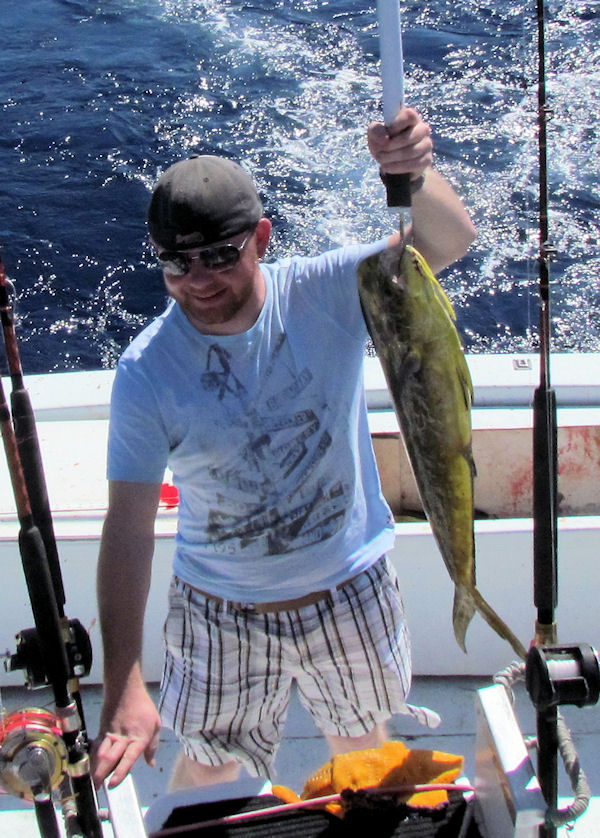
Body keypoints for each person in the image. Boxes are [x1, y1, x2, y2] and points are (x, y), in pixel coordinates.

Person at [92, 106, 476, 791]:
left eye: (219, 254)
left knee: (363, 755)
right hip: (219, 611)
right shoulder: (146, 372)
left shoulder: (327, 291)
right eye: (176, 262)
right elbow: (127, 531)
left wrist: (413, 173)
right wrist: (123, 684)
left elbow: (448, 242)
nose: (200, 278)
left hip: (351, 588)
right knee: (208, 766)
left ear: (263, 238)